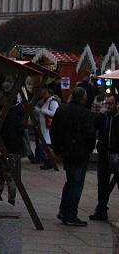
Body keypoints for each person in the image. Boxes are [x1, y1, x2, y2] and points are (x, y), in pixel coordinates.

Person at [50, 86, 97, 226]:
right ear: (83, 98)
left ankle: (64, 210)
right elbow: (90, 134)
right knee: (76, 183)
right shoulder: (86, 113)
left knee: (70, 181)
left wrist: (57, 148)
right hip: (80, 152)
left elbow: (54, 129)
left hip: (66, 151)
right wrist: (89, 149)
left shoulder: (62, 110)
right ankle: (70, 214)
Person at [0, 84, 24, 206]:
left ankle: (10, 200)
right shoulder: (13, 113)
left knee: (8, 175)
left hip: (9, 148)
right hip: (11, 147)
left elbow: (10, 133)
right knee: (1, 173)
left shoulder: (10, 115)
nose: (0, 100)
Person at [90, 93, 119, 221]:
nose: (108, 106)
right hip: (104, 154)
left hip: (116, 154)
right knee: (102, 183)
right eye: (106, 103)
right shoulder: (103, 116)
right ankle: (101, 210)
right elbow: (94, 127)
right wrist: (100, 115)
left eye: (111, 103)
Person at [35, 86, 60, 169]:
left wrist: (43, 111)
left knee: (47, 145)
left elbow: (54, 113)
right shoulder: (45, 101)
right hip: (43, 126)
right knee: (44, 145)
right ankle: (47, 161)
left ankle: (50, 162)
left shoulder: (53, 102)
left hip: (48, 127)